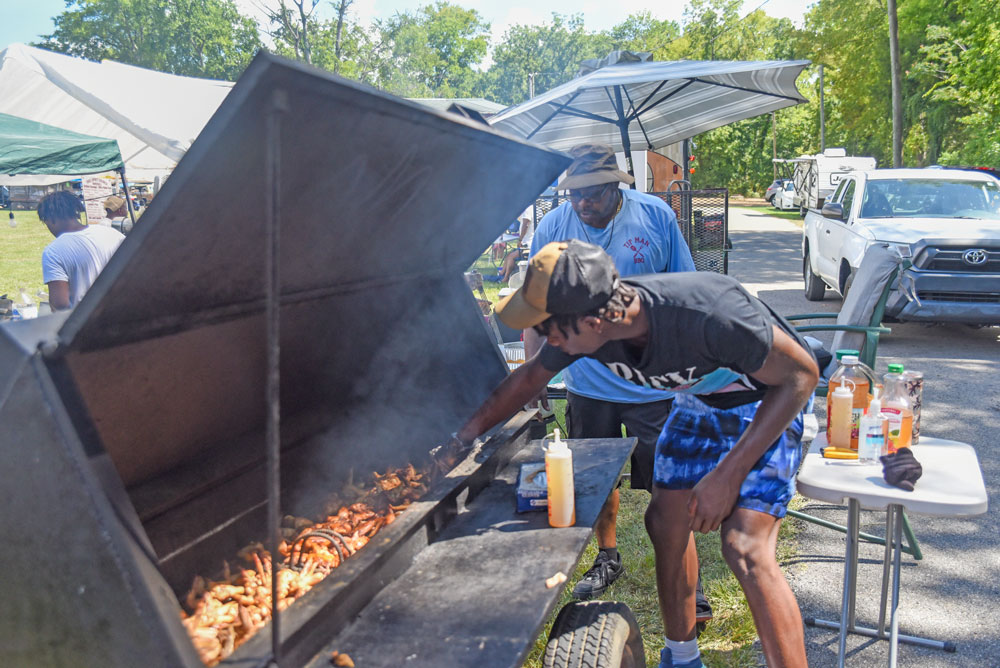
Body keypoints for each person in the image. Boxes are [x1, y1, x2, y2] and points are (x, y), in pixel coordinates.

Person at [446, 240, 817, 668]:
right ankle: (682, 659)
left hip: (767, 398)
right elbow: (529, 378)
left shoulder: (709, 314)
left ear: (594, 320)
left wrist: (728, 476)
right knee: (664, 521)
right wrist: (461, 438)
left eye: (548, 329)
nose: (544, 340)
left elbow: (801, 375)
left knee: (744, 548)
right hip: (698, 399)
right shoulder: (583, 329)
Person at [524, 143, 706, 609]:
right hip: (587, 383)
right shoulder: (552, 227)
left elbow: (685, 293)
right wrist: (536, 378)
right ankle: (607, 557)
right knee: (596, 480)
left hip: (653, 385)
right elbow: (534, 308)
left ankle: (689, 577)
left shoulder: (655, 217)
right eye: (575, 195)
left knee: (671, 485)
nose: (584, 204)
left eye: (594, 194)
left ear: (617, 186)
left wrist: (686, 375)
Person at [38, 190, 125, 311]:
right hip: (124, 312)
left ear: (50, 219)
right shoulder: (113, 234)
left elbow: (60, 303)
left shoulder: (53, 252)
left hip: (88, 321)